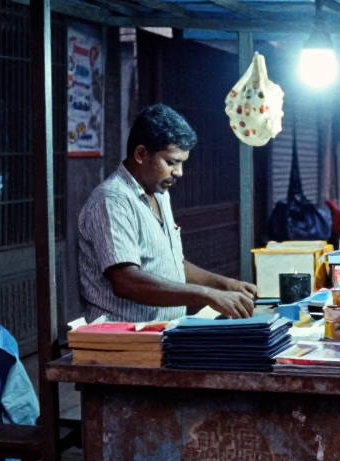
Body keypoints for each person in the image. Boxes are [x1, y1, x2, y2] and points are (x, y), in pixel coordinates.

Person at [78, 104, 258, 322]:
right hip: (125, 343)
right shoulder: (112, 201)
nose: (179, 172)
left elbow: (171, 264)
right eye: (171, 162)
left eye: (182, 163)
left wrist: (224, 284)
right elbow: (126, 281)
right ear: (141, 154)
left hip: (164, 335)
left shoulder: (160, 193)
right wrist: (207, 295)